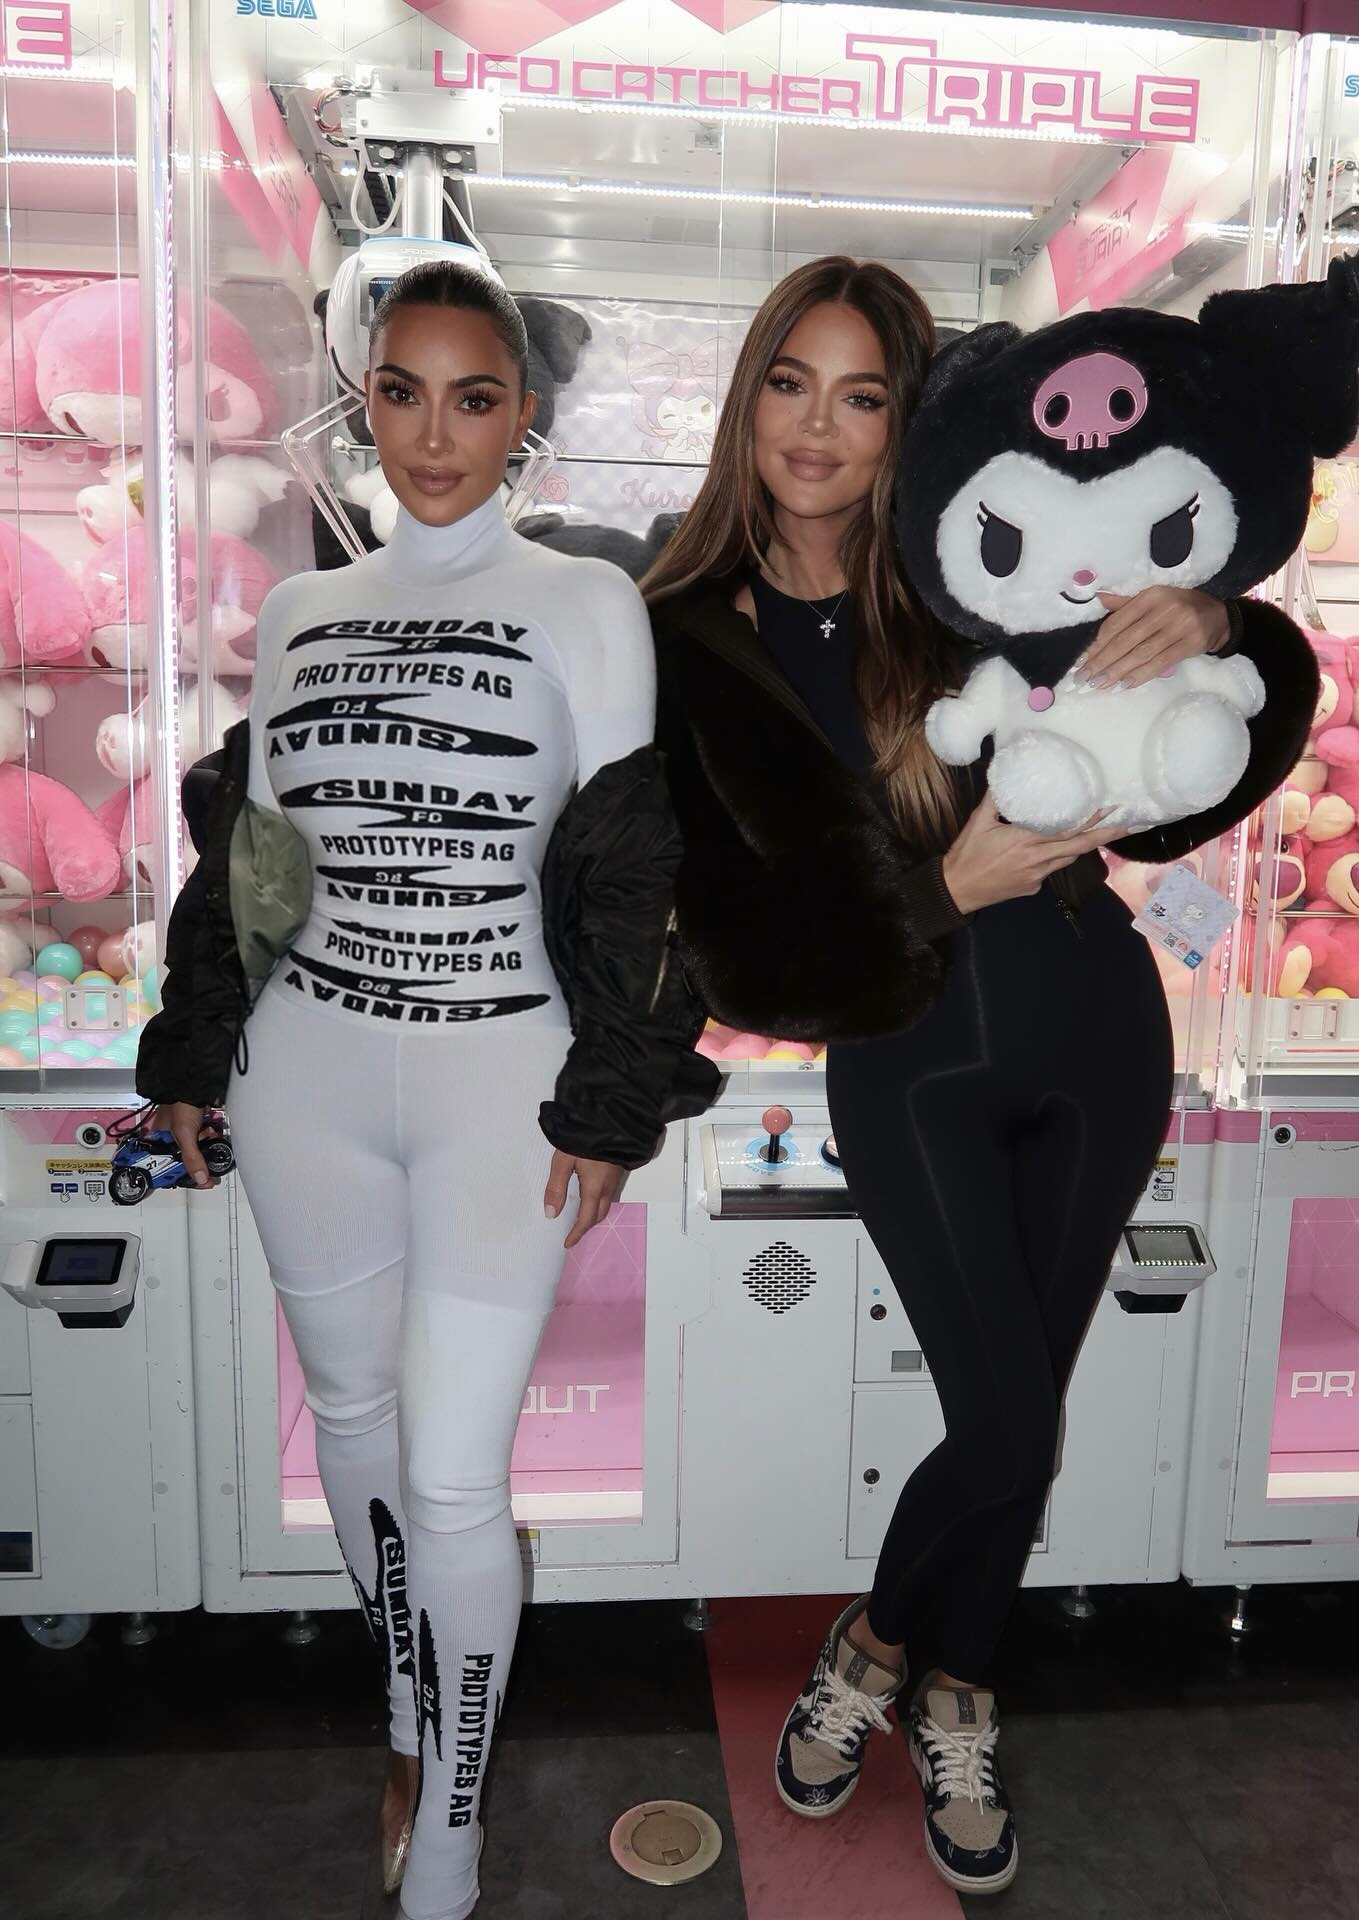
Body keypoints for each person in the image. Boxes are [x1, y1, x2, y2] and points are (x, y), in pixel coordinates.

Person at [643, 256, 1311, 1895]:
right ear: (748, 399)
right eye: (792, 381)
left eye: (865, 394)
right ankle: (874, 1653)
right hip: (909, 1058)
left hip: (1101, 1029)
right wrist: (948, 888)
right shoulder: (676, 637)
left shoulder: (977, 564)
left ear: (909, 423)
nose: (820, 425)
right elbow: (745, 956)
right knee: (1007, 1421)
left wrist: (1216, 619)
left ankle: (951, 1684)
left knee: (1023, 1417)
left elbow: (1234, 729)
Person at [135, 260, 714, 1920]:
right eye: (403, 392)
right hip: (303, 1076)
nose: (435, 434)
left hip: (498, 1088)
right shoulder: (296, 613)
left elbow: (633, 874)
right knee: (357, 1440)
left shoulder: (587, 604)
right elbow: (253, 862)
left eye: (475, 397)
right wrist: (193, 1046)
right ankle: (407, 1714)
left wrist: (614, 1099)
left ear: (526, 414)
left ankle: (448, 1835)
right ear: (363, 401)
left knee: (458, 1476)